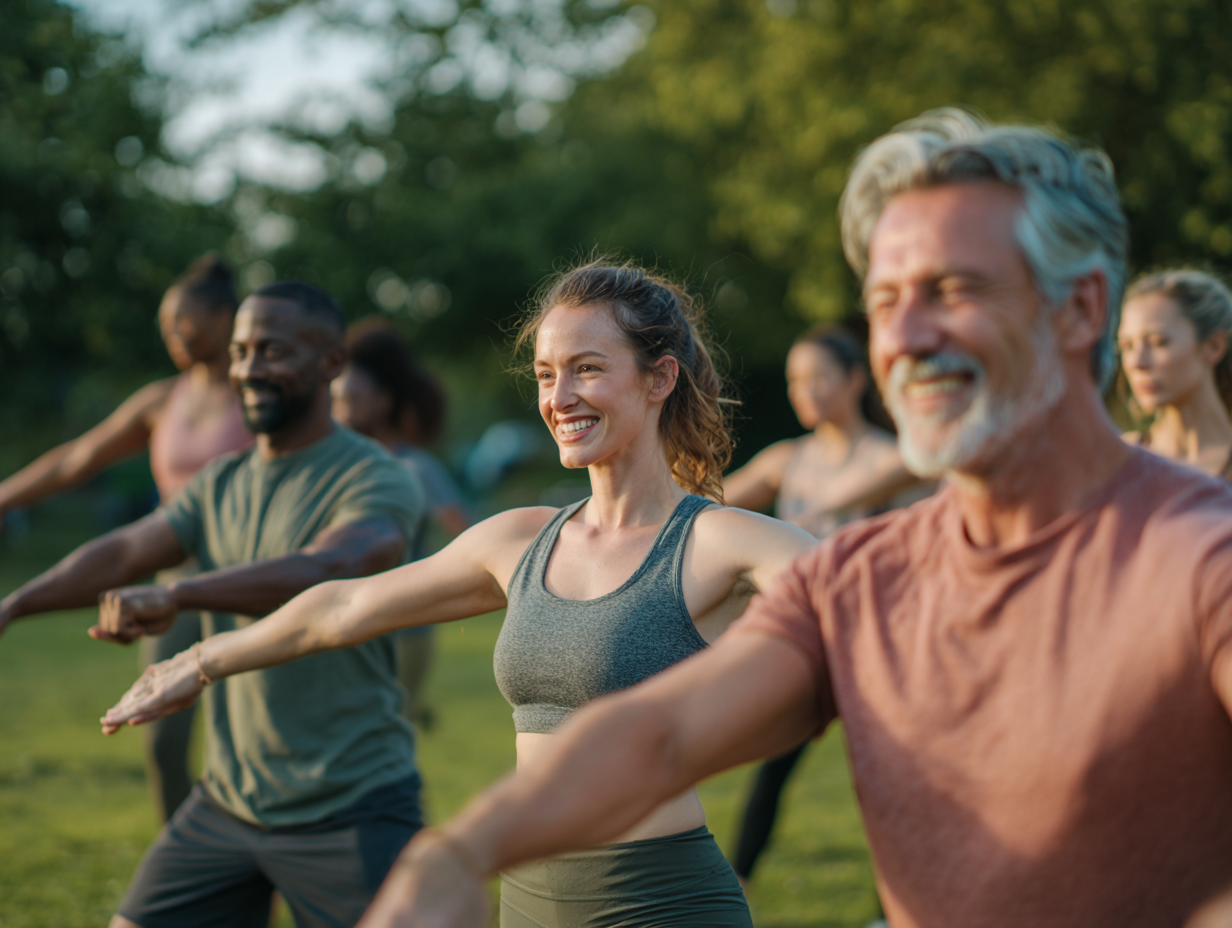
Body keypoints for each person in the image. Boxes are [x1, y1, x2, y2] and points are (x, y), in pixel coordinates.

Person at [184, 109, 1232, 928]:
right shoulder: (866, 573)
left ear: (1079, 309)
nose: (904, 336)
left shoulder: (1196, 560)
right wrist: (454, 853)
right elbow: (661, 729)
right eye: (881, 298)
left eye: (952, 288)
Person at [102, 261, 817, 928]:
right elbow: (342, 607)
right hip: (526, 900)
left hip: (663, 899)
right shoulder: (518, 540)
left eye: (588, 370)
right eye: (545, 374)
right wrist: (197, 663)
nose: (559, 398)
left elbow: (869, 595)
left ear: (659, 379)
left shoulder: (722, 542)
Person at [0, 281, 427, 928]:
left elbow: (331, 569)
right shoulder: (220, 481)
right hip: (227, 804)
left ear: (331, 363)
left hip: (349, 806)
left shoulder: (375, 477)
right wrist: (13, 606)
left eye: (273, 351)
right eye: (241, 351)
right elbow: (123, 554)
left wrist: (178, 594)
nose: (249, 369)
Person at [0, 253, 252, 823]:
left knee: (246, 745)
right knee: (161, 738)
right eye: (164, 326)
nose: (172, 335)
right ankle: (185, 861)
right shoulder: (162, 400)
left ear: (223, 317)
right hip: (177, 581)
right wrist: (6, 497)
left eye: (182, 322)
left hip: (250, 582)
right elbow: (77, 460)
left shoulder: (261, 397)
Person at [723, 324, 919, 886]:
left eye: (818, 377)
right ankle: (734, 886)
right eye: (794, 380)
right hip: (805, 640)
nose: (804, 390)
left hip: (875, 643)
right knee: (772, 768)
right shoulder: (787, 460)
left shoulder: (890, 456)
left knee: (888, 778)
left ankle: (894, 909)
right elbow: (708, 503)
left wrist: (835, 502)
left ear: (856, 380)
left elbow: (923, 472)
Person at [332, 319, 472, 730]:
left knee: (384, 738)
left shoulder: (415, 469)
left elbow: (467, 536)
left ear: (383, 401)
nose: (340, 413)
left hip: (404, 631)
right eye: (335, 400)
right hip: (349, 627)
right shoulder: (338, 470)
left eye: (352, 400)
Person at [1118, 269, 1232, 476]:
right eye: (1127, 346)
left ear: (1213, 347)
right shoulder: (1119, 461)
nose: (1137, 363)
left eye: (1158, 342)